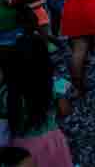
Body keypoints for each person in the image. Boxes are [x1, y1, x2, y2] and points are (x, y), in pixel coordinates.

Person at [0, 36, 73, 167]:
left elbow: (3, 123)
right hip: (52, 140)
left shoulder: (6, 92)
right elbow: (65, 111)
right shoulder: (54, 83)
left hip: (21, 147)